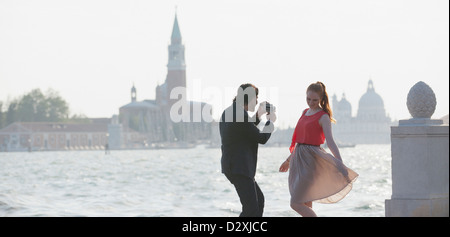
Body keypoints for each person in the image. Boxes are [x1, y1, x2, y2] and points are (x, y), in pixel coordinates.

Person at [279, 81, 358, 217]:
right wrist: (288, 160)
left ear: (321, 99)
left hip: (311, 160)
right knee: (305, 203)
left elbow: (331, 142)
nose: (311, 102)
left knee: (295, 203)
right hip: (298, 158)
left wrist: (339, 163)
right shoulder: (304, 112)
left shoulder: (323, 117)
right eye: (308, 99)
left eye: (315, 100)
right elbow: (300, 142)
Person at [220, 83, 277, 217]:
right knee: (251, 209)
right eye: (256, 98)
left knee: (258, 202)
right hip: (240, 168)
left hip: (235, 167)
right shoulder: (240, 114)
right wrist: (271, 122)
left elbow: (245, 130)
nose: (257, 101)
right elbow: (261, 138)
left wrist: (258, 114)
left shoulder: (232, 111)